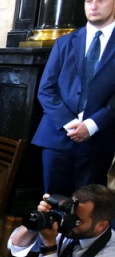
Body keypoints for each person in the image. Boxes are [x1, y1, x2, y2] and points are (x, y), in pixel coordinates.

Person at [33, 0, 115, 194]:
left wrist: (91, 125)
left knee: (87, 215)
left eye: (100, 0)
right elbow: (46, 89)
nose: (93, 5)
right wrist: (69, 122)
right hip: (58, 137)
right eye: (88, 1)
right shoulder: (65, 42)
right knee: (53, 206)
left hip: (98, 140)